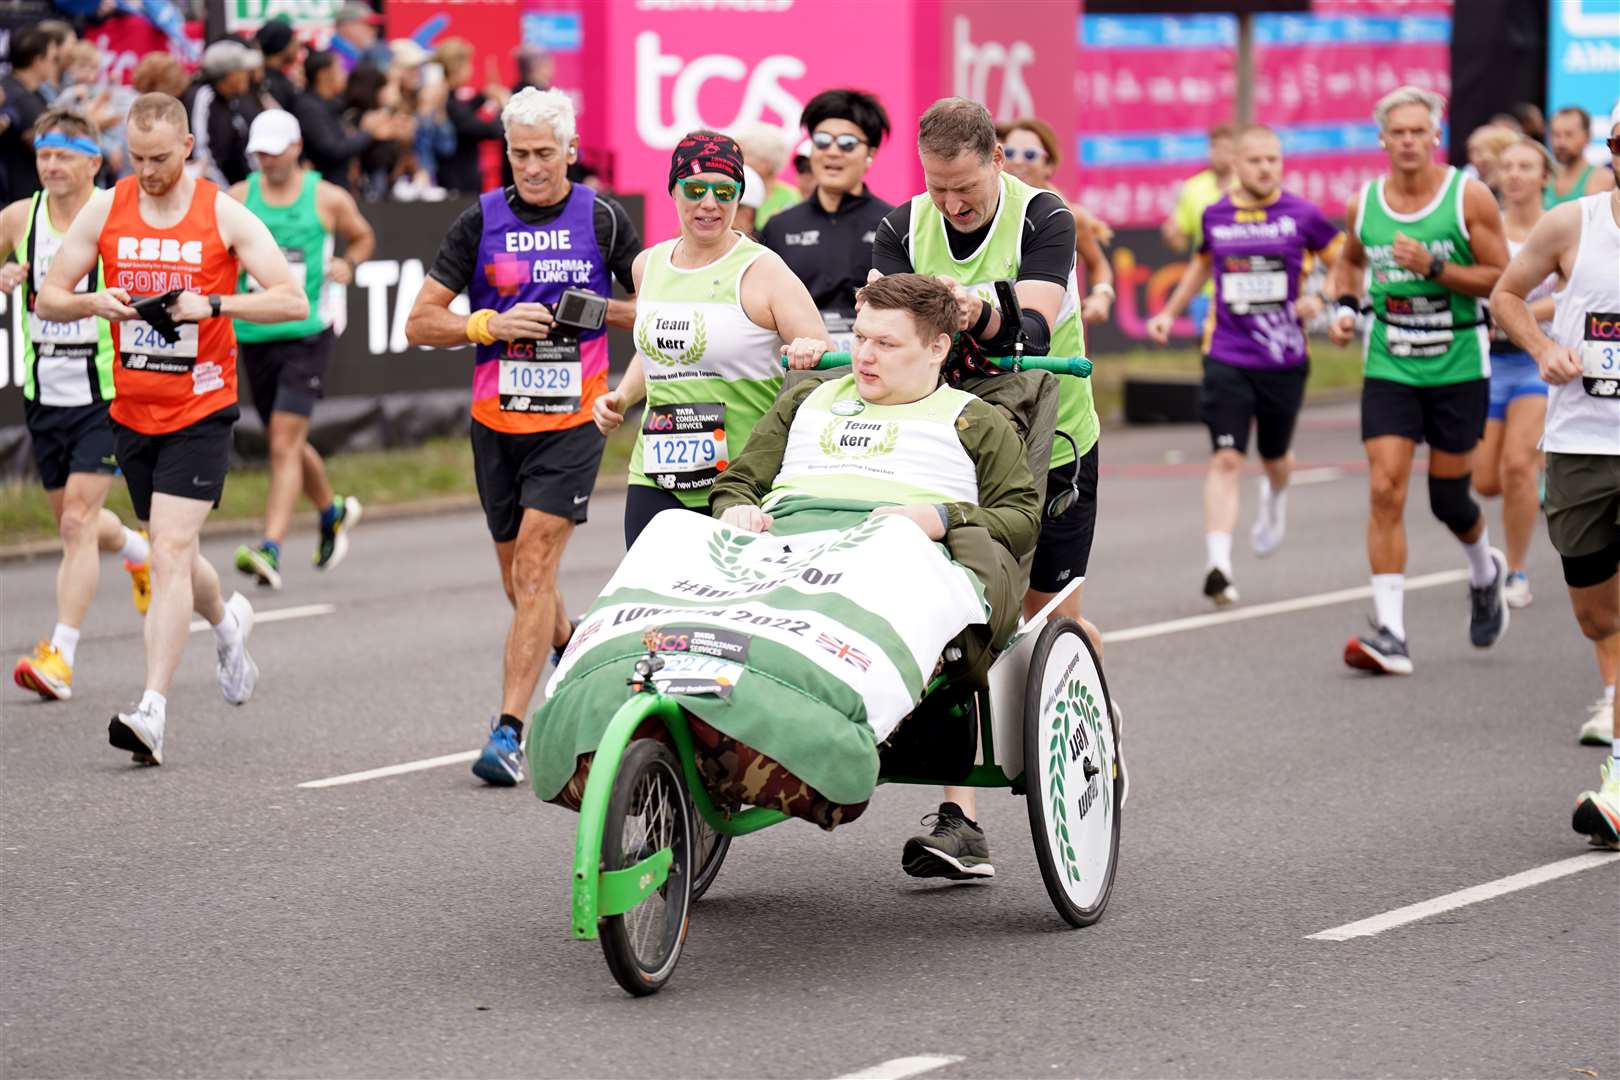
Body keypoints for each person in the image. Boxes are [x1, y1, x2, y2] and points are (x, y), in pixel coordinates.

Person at [707, 272, 1040, 864]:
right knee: (671, 533)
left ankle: (857, 761)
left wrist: (942, 516)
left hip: (896, 558)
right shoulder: (808, 399)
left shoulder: (973, 419)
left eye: (885, 344)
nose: (863, 354)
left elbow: (1019, 518)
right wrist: (737, 510)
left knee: (894, 556)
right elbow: (738, 482)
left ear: (938, 347)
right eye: (860, 337)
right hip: (787, 552)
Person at [37, 92, 308, 766]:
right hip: (131, 409)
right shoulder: (108, 205)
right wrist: (92, 302)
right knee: (176, 554)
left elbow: (291, 297)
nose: (149, 170)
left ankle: (152, 709)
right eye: (137, 157)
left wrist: (212, 303)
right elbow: (49, 295)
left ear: (188, 148)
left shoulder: (223, 212)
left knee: (167, 549)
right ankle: (228, 621)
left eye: (161, 158)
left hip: (201, 410)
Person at [870, 96, 1100, 869]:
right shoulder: (902, 227)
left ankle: (1092, 734)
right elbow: (881, 323)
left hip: (1053, 436)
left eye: (963, 187)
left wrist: (976, 309)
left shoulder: (1046, 219)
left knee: (1047, 622)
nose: (951, 204)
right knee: (964, 612)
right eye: (937, 188)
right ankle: (958, 818)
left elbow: (1033, 326)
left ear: (997, 161)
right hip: (944, 444)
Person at [405, 87, 641, 787]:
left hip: (573, 420)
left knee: (536, 569)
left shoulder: (601, 219)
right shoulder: (480, 220)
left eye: (544, 153)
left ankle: (509, 731)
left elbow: (657, 311)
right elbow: (420, 323)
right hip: (496, 423)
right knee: (519, 582)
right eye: (519, 153)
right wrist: (488, 325)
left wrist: (595, 310)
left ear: (570, 150)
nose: (532, 167)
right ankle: (571, 645)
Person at [1327, 86, 1510, 675]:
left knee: (1449, 497)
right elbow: (1350, 261)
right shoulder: (1365, 203)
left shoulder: (1467, 198)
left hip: (1458, 361)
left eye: (1418, 131)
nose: (1407, 141)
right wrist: (1347, 306)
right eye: (1396, 132)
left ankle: (1485, 571)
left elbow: (1503, 279)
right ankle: (1392, 633)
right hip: (1391, 362)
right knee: (1385, 488)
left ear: (1436, 137)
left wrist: (1434, 267)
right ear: (1383, 140)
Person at [592, 130, 828, 547]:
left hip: (743, 480)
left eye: (724, 191)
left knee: (729, 610)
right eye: (695, 188)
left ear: (740, 196)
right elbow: (658, 352)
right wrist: (622, 397)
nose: (709, 203)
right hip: (656, 473)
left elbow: (827, 362)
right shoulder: (649, 265)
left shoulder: (764, 270)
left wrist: (812, 352)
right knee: (654, 604)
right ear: (674, 190)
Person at [1490, 122, 1620, 847]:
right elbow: (1507, 297)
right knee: (1599, 617)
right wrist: (1543, 347)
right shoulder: (1574, 223)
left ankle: (1618, 785)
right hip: (1578, 446)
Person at [1146, 125, 1339, 607]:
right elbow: (1199, 265)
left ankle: (1275, 499)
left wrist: (1321, 296)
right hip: (1227, 353)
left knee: (1275, 459)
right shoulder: (1216, 215)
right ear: (1236, 165)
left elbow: (1346, 263)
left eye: (1274, 160)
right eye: (1256, 160)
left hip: (1284, 358)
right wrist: (1170, 312)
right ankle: (1219, 565)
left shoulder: (1302, 215)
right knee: (1227, 458)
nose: (1267, 168)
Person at [4, 107, 151, 701]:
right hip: (44, 394)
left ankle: (60, 656)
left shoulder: (117, 214)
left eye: (65, 155)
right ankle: (138, 551)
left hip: (105, 394)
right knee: (77, 526)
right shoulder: (20, 216)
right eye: (43, 155)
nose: (52, 165)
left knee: (75, 525)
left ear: (95, 161)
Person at [227, 109, 373, 591]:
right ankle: (330, 512)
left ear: (295, 148)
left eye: (275, 150)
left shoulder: (326, 197)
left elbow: (363, 235)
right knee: (284, 438)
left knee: (282, 442)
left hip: (309, 328)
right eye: (260, 152)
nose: (267, 160)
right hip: (255, 331)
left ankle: (269, 546)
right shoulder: (239, 197)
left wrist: (347, 263)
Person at [1473, 138, 1559, 610]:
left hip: (1538, 359)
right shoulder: (1486, 231)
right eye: (1507, 166)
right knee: (1485, 481)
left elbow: (1570, 293)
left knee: (1516, 465)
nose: (1515, 175)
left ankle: (1518, 570)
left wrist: (1515, 310)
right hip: (1487, 364)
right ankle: (1536, 478)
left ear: (1545, 176)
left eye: (1526, 166)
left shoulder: (1561, 226)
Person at [759, 88, 893, 354]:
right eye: (821, 141)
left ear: (871, 154)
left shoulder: (893, 225)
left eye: (847, 144)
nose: (832, 152)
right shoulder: (779, 227)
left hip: (874, 364)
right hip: (799, 368)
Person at [998, 117, 1116, 326]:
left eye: (1030, 155)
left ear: (1049, 165)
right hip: (1000, 336)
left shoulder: (1069, 217)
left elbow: (1099, 265)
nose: (1018, 161)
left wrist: (1102, 296)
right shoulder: (986, 213)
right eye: (1009, 153)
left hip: (1058, 340)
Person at [294, 51, 405, 194]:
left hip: (342, 188)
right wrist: (369, 133)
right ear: (324, 75)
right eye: (339, 69)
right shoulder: (308, 108)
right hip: (323, 190)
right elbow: (332, 149)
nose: (344, 75)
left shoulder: (334, 104)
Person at [1161, 124, 1236, 332]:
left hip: (1239, 285)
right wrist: (1172, 234)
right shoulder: (1193, 189)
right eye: (1215, 149)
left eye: (1227, 149)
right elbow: (1180, 242)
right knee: (1208, 352)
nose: (1220, 155)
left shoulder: (1247, 188)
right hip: (1203, 290)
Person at [436, 38, 508, 195]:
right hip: (459, 186)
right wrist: (503, 106)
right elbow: (491, 130)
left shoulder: (446, 99)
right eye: (468, 63)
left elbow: (465, 110)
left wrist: (484, 95)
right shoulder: (448, 104)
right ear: (457, 68)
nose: (471, 68)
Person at [184, 39, 259, 188]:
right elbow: (203, 154)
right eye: (243, 70)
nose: (248, 75)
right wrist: (226, 194)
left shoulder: (231, 99)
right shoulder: (204, 98)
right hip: (218, 195)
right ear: (230, 75)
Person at [0, 27, 61, 203]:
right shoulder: (15, 96)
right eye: (53, 59)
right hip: (17, 197)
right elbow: (45, 140)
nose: (55, 65)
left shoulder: (34, 93)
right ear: (37, 61)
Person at [1545, 107, 1616, 208]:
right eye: (1556, 134)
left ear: (1587, 137)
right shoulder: (1545, 178)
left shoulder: (1601, 179)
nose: (1561, 142)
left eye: (1569, 134)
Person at [734, 122, 799, 230]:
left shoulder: (792, 199)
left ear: (766, 163)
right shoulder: (729, 191)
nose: (735, 160)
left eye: (742, 154)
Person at [330, 0, 392, 72]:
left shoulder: (360, 54)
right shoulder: (334, 59)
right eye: (368, 25)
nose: (374, 31)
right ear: (347, 26)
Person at [254, 19, 302, 112]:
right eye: (292, 40)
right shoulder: (266, 84)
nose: (297, 44)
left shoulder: (281, 78)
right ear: (282, 45)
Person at [1463, 123, 1519, 199]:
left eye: (1479, 151)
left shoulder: (1513, 190)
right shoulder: (1469, 183)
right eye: (1471, 151)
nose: (1474, 159)